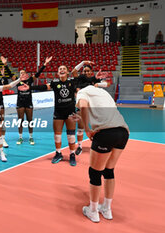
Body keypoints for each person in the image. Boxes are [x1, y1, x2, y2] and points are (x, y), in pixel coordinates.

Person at [71, 85, 129, 223]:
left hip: (105, 134)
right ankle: (107, 209)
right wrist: (80, 117)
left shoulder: (82, 92)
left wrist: (87, 129)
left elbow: (83, 106)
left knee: (95, 173)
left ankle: (93, 211)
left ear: (76, 91)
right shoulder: (102, 92)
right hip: (122, 132)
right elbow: (102, 113)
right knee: (109, 171)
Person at [31, 65, 78, 166]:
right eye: (60, 69)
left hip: (70, 113)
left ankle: (72, 154)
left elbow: (82, 87)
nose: (62, 70)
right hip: (58, 113)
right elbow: (43, 87)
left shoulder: (72, 82)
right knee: (57, 135)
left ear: (67, 72)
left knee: (71, 136)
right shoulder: (55, 82)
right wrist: (30, 87)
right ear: (57, 73)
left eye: (64, 69)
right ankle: (58, 153)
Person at [2, 56, 52, 145]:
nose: (22, 74)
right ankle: (20, 137)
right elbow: (10, 74)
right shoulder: (17, 81)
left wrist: (44, 64)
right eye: (20, 73)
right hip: (20, 103)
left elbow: (38, 74)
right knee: (20, 120)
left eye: (23, 73)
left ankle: (31, 137)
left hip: (29, 103)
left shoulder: (29, 80)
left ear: (26, 74)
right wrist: (5, 65)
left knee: (30, 120)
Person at [71, 61, 110, 155]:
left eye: (88, 71)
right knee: (81, 127)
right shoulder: (80, 79)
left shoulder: (95, 78)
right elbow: (74, 71)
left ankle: (99, 144)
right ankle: (79, 146)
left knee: (98, 126)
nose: (86, 72)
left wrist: (98, 84)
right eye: (84, 71)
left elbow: (107, 84)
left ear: (91, 72)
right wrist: (83, 62)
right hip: (82, 105)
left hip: (94, 106)